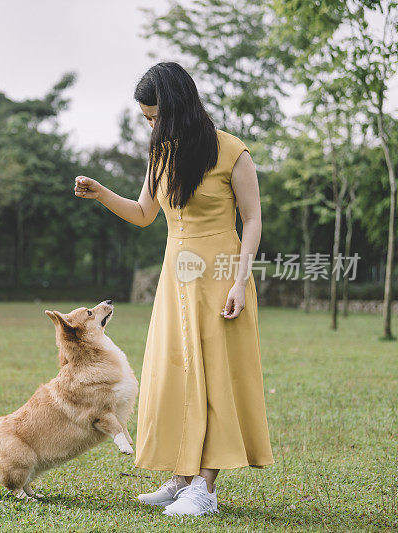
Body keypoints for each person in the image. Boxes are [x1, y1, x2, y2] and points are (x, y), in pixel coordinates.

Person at [74, 61, 274, 517]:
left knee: (216, 379)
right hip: (176, 278)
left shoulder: (231, 151)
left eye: (153, 116)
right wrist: (102, 193)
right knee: (174, 375)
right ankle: (181, 478)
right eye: (146, 118)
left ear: (177, 108)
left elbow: (254, 217)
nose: (150, 125)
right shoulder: (160, 154)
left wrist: (241, 282)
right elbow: (146, 214)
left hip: (222, 274)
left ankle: (205, 489)